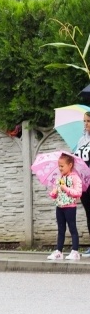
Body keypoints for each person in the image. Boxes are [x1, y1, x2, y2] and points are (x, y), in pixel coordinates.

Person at [46, 153, 83, 260]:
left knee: (72, 228)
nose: (60, 168)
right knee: (60, 229)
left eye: (62, 166)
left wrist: (65, 188)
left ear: (70, 165)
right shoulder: (60, 178)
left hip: (70, 207)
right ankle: (59, 251)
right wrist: (54, 192)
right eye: (59, 166)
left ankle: (75, 251)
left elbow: (78, 193)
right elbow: (55, 193)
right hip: (60, 207)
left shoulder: (75, 178)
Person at [75, 111, 90, 254]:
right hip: (84, 183)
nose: (86, 124)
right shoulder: (82, 140)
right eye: (84, 121)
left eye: (89, 121)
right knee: (89, 212)